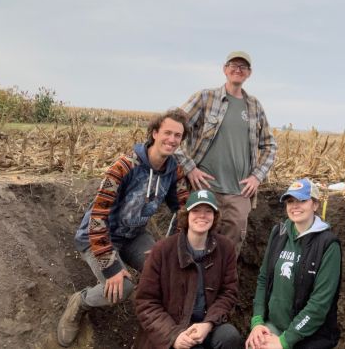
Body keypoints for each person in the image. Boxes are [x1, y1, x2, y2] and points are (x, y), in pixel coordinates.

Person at [56, 109, 189, 347]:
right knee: (123, 287)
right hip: (97, 236)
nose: (172, 139)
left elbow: (182, 207)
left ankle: (153, 328)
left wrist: (176, 242)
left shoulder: (173, 171)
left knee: (165, 271)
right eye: (167, 132)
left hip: (134, 236)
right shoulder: (123, 167)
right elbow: (97, 218)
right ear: (155, 133)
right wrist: (111, 265)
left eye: (177, 135)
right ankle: (81, 302)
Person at [181, 51, 277, 255]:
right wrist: (190, 168)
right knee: (196, 240)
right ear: (225, 69)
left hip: (239, 191)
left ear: (249, 73)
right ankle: (191, 284)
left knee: (230, 248)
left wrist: (257, 177)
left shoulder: (254, 106)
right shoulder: (205, 97)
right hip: (206, 186)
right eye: (233, 65)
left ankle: (221, 286)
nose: (238, 69)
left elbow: (270, 146)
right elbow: (173, 128)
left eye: (243, 67)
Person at [134, 190, 241, 349]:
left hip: (207, 325)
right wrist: (174, 335)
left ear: (214, 216)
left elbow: (228, 292)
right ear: (186, 215)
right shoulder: (162, 250)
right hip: (173, 328)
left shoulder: (225, 248)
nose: (202, 216)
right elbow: (146, 302)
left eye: (208, 211)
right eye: (196, 210)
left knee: (230, 337)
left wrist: (208, 324)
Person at [246, 178, 341, 349]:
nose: (295, 206)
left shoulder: (328, 245)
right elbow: (263, 279)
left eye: (302, 200)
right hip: (273, 327)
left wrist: (284, 341)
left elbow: (319, 304)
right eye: (290, 201)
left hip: (310, 335)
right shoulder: (278, 233)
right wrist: (258, 321)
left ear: (315, 205)